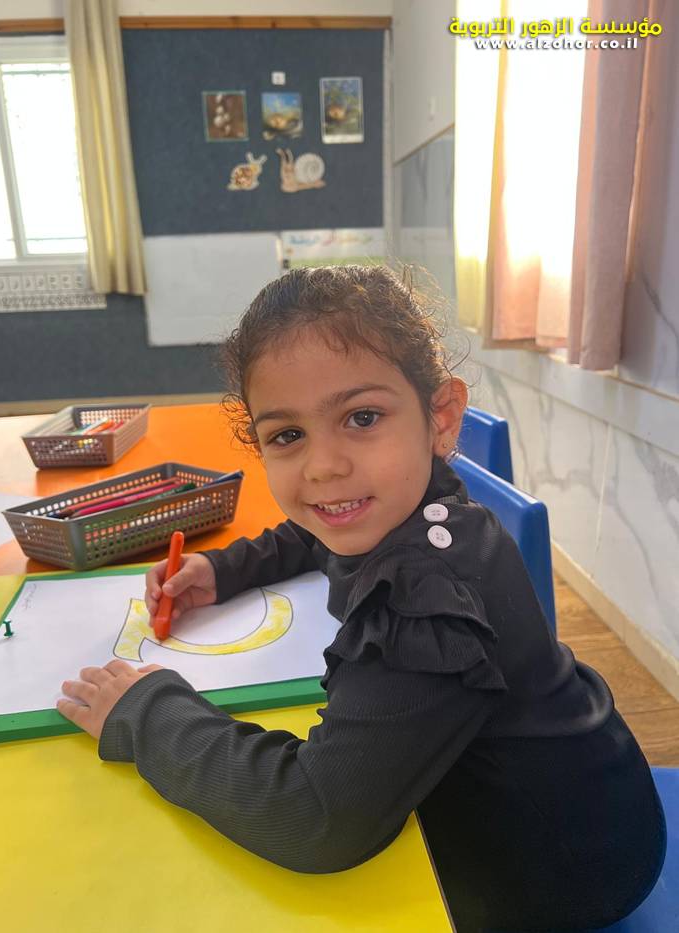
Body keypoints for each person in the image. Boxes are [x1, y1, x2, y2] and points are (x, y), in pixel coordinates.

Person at [57, 266, 666, 933]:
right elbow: (316, 531)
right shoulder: (416, 507)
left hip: (559, 870)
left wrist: (147, 712)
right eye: (288, 435)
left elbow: (316, 818)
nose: (324, 466)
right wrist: (223, 567)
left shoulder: (423, 599)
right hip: (568, 801)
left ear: (440, 418)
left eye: (362, 417)